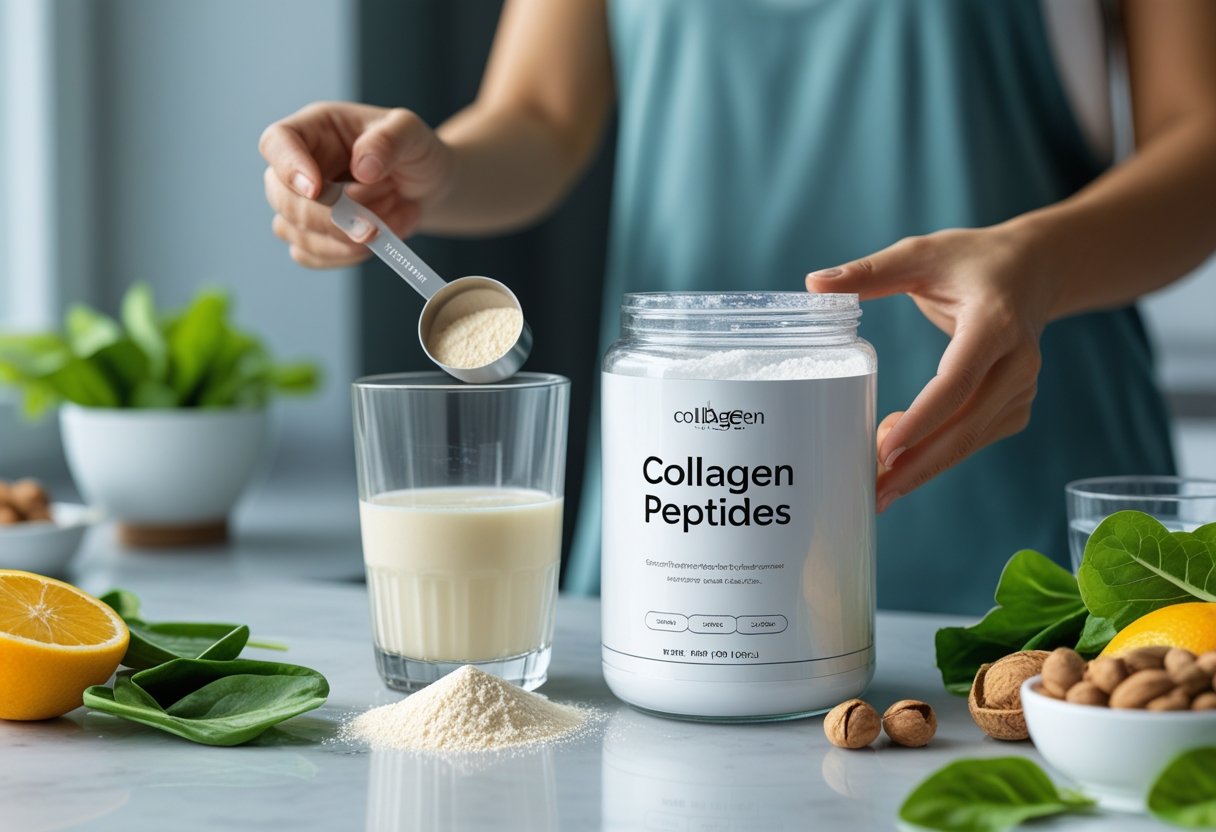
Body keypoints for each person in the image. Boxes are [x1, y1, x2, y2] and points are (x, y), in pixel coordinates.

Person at [260, 0, 1216, 614]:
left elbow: (1200, 145)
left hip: (1016, 504)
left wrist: (1037, 264)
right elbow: (542, 115)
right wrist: (428, 175)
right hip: (677, 520)